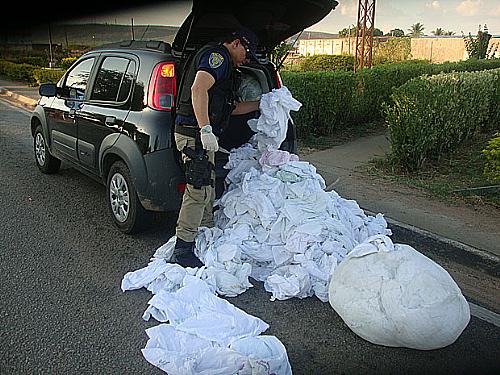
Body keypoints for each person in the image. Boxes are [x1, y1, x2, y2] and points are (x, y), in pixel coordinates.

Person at [172, 27, 261, 267]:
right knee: (198, 188)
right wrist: (205, 129)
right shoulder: (218, 58)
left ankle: (206, 231)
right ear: (235, 43)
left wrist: (262, 103)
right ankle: (182, 249)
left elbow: (229, 108)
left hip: (202, 137)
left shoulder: (228, 70)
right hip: (194, 134)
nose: (247, 58)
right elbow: (198, 89)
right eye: (246, 51)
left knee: (208, 185)